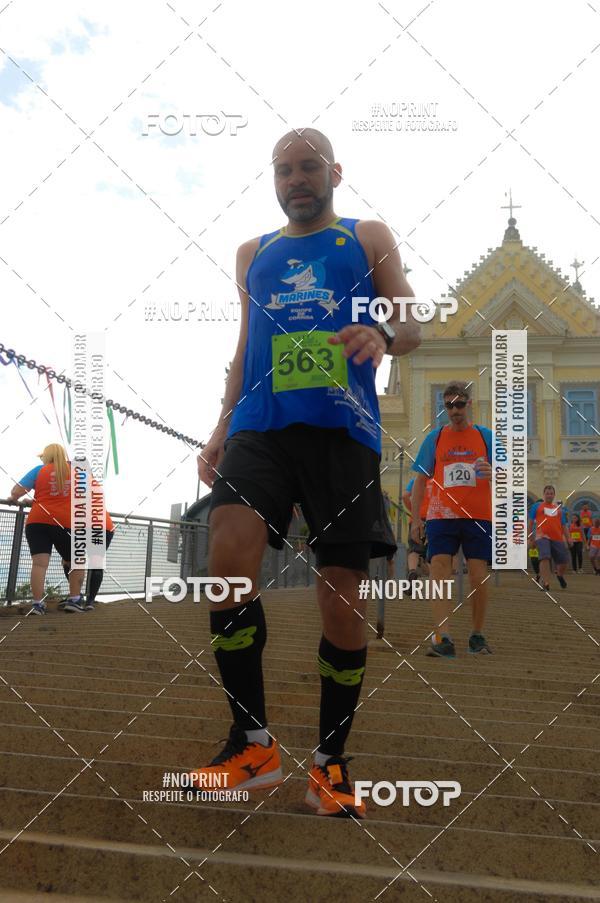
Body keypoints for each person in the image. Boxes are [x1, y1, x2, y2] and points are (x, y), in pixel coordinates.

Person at [189, 128, 420, 818]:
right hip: (260, 426)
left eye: (308, 167)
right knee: (228, 552)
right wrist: (221, 426)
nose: (296, 179)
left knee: (340, 596)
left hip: (343, 431)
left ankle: (330, 762)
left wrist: (382, 333)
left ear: (334, 173)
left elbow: (410, 319)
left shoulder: (366, 237)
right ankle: (251, 745)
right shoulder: (253, 253)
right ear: (274, 179)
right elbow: (244, 346)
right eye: (284, 169)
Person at [410, 381, 493, 658]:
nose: (455, 410)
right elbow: (420, 481)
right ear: (444, 407)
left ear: (469, 404)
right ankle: (443, 636)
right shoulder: (434, 438)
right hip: (441, 514)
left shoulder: (485, 437)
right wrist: (416, 519)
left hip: (477, 515)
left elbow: (510, 475)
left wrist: (493, 472)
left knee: (478, 575)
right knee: (439, 570)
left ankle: (477, 634)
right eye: (449, 405)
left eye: (459, 404)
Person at [9, 444, 85, 614]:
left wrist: (27, 500)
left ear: (46, 456)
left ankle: (37, 604)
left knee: (39, 565)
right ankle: (74, 600)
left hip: (37, 521)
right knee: (76, 561)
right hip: (65, 523)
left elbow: (16, 492)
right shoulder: (77, 471)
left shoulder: (39, 470)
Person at [528, 486, 571, 591]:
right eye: (547, 493)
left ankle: (559, 575)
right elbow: (530, 523)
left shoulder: (559, 509)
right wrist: (530, 537)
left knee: (563, 561)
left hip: (557, 538)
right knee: (545, 557)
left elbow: (564, 526)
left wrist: (568, 538)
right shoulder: (537, 506)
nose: (549, 495)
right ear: (544, 494)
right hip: (542, 536)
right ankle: (546, 582)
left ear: (554, 495)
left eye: (551, 493)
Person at [403, 477, 430, 583]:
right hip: (434, 518)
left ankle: (412, 571)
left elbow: (405, 496)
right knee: (433, 551)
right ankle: (435, 580)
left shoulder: (415, 480)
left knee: (414, 549)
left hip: (416, 519)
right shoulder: (439, 479)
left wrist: (414, 511)